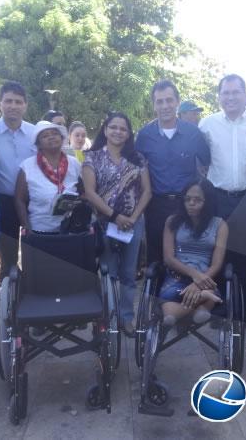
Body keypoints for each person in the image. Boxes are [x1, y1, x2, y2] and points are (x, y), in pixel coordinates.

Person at [198, 74, 246, 329]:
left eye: (235, 92)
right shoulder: (207, 124)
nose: (230, 97)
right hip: (219, 198)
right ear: (219, 97)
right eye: (225, 93)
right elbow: (200, 157)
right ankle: (221, 309)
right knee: (219, 256)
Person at [82, 112, 152, 337]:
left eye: (123, 128)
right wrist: (115, 217)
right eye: (113, 127)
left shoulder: (138, 158)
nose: (118, 132)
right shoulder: (92, 157)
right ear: (105, 130)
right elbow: (90, 193)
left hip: (133, 223)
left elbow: (147, 192)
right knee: (108, 271)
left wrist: (133, 218)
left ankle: (126, 318)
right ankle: (106, 317)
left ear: (129, 133)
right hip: (105, 223)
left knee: (129, 273)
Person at [136, 80, 211, 265]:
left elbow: (208, 164)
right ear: (154, 105)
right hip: (156, 206)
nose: (165, 106)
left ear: (177, 102)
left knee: (189, 257)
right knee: (157, 258)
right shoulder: (144, 136)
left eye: (169, 100)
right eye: (159, 101)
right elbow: (137, 171)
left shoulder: (193, 133)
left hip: (188, 205)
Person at [0, 81, 35, 279]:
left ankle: (33, 298)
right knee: (8, 259)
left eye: (18, 101)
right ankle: (8, 302)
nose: (13, 106)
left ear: (25, 105)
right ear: (0, 103)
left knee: (35, 253)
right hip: (2, 202)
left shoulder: (34, 132)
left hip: (33, 202)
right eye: (8, 101)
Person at [159, 179, 227, 326]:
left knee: (177, 314)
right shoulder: (172, 221)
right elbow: (168, 259)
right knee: (169, 318)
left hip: (205, 277)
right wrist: (193, 275)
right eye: (187, 199)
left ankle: (202, 296)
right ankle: (203, 298)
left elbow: (217, 263)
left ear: (207, 201)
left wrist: (198, 282)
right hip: (176, 276)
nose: (191, 203)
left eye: (197, 200)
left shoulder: (220, 225)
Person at [15, 122, 81, 234]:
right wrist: (26, 227)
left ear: (62, 138)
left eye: (55, 133)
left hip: (70, 228)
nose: (51, 137)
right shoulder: (27, 166)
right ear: (38, 144)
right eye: (45, 136)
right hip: (39, 229)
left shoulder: (74, 163)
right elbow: (19, 200)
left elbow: (83, 190)